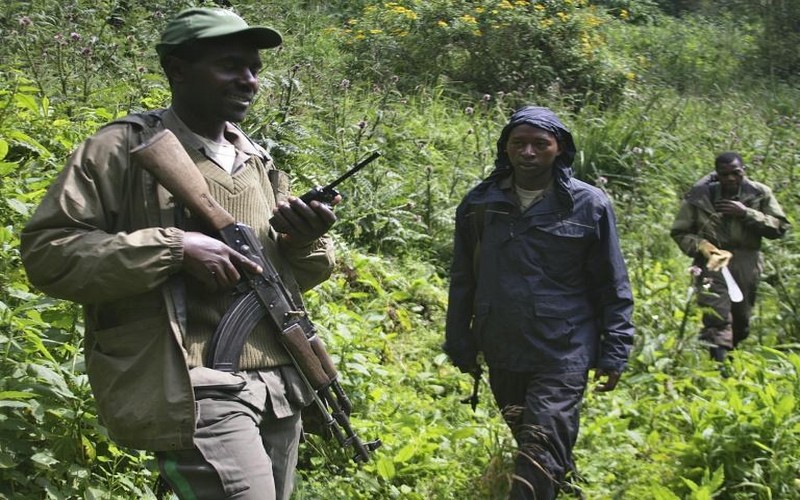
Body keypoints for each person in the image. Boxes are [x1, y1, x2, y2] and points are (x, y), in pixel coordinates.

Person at [20, 8, 339, 499]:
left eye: (254, 68)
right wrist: (174, 248)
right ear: (177, 70)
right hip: (193, 386)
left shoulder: (257, 160)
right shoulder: (121, 148)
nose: (249, 80)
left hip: (280, 383)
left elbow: (277, 281)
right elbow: (49, 253)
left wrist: (304, 240)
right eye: (230, 65)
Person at [444, 105, 635, 499]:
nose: (529, 152)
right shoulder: (479, 204)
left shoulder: (590, 204)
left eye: (540, 144)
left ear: (559, 149)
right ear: (506, 149)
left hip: (564, 348)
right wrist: (459, 340)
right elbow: (463, 280)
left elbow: (612, 284)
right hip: (502, 344)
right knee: (530, 438)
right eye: (519, 144)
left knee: (540, 440)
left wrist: (615, 352)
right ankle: (565, 486)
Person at [670, 152, 790, 363]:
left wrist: (746, 213)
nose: (731, 179)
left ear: (744, 171)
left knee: (741, 321)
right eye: (725, 175)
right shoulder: (701, 196)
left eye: (736, 173)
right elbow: (680, 232)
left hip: (747, 260)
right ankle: (719, 369)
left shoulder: (759, 193)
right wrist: (702, 245)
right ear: (717, 175)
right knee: (717, 316)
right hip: (712, 262)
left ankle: (729, 359)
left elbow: (779, 227)